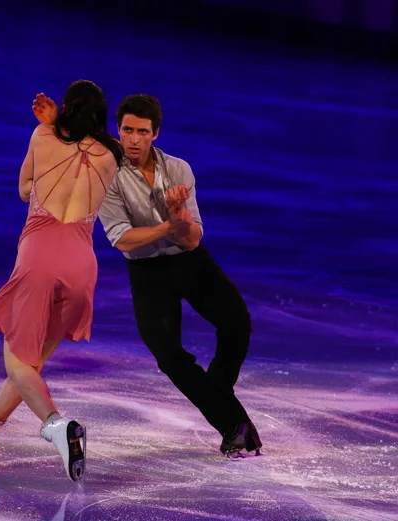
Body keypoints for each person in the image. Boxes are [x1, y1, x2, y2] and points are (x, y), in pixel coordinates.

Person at [32, 93, 262, 457]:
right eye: (127, 130)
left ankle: (217, 394)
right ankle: (232, 422)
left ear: (155, 133)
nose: (133, 139)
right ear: (118, 130)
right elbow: (123, 239)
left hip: (190, 262)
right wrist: (168, 224)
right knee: (168, 356)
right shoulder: (107, 172)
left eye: (141, 131)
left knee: (238, 325)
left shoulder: (180, 170)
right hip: (147, 272)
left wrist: (181, 222)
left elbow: (191, 241)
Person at [0, 80, 123, 482]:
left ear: (67, 107)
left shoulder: (42, 135)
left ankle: (56, 425)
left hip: (39, 255)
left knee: (18, 364)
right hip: (81, 265)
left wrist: (51, 128)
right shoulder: (112, 155)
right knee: (31, 365)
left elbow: (24, 190)